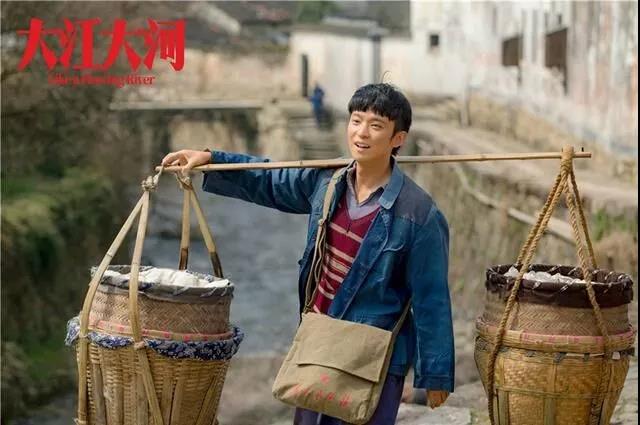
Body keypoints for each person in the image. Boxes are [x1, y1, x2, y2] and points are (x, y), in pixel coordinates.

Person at [162, 83, 454, 424]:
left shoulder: (418, 214)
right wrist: (212, 160)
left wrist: (435, 374)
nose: (362, 133)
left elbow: (431, 297)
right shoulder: (328, 184)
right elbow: (270, 180)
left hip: (374, 355)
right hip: (319, 341)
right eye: (356, 120)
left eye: (376, 125)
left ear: (397, 139)